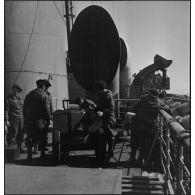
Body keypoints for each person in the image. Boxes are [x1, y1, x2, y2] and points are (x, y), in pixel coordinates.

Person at [130, 88, 171, 167]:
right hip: (147, 127)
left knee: (135, 142)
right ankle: (141, 159)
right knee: (144, 143)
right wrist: (158, 108)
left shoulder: (142, 101)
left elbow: (134, 108)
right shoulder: (157, 103)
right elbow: (168, 110)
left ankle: (133, 158)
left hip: (137, 125)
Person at [23, 79, 51, 160]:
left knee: (31, 137)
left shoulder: (29, 94)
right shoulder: (44, 95)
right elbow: (47, 109)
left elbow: (24, 108)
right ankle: (42, 155)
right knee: (42, 137)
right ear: (43, 86)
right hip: (41, 120)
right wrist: (48, 119)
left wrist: (26, 119)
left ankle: (29, 155)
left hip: (31, 119)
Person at [93, 80, 116, 167]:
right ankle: (105, 153)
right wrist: (95, 110)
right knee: (105, 136)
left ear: (100, 89)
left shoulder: (108, 96)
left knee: (109, 136)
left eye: (97, 90)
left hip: (109, 119)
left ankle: (110, 152)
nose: (97, 92)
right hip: (104, 118)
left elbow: (111, 107)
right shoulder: (102, 95)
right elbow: (100, 106)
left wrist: (103, 112)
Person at [5, 84, 24, 152]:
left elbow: (23, 108)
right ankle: (11, 149)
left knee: (21, 134)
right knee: (12, 134)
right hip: (13, 119)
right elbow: (6, 110)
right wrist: (6, 120)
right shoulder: (9, 98)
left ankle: (20, 147)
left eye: (18, 91)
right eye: (15, 91)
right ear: (13, 90)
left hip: (21, 118)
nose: (16, 93)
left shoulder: (21, 97)